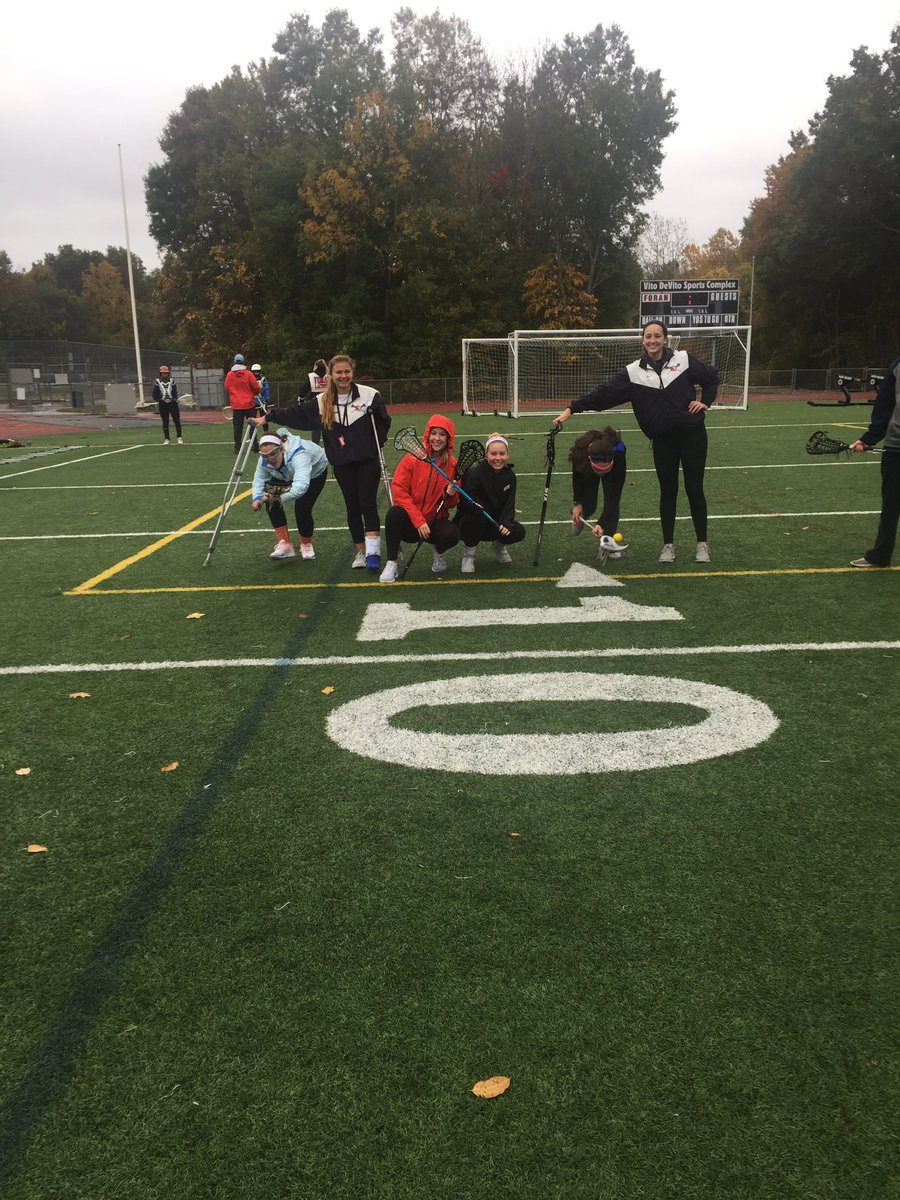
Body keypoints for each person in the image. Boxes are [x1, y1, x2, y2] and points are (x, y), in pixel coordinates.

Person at [554, 321, 718, 563]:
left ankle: (702, 544)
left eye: (657, 336)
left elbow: (711, 376)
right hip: (662, 441)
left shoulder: (683, 359)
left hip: (692, 435)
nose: (653, 340)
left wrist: (706, 401)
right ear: (643, 340)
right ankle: (668, 546)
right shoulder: (633, 372)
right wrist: (572, 408)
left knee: (694, 489)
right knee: (668, 492)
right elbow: (604, 393)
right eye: (648, 336)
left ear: (665, 338)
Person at [256, 354, 390, 570]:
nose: (343, 376)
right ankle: (361, 552)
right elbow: (295, 413)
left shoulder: (370, 396)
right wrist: (270, 417)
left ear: (352, 372)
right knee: (352, 506)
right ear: (331, 375)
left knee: (368, 503)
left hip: (368, 460)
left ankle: (373, 552)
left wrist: (374, 445)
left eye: (347, 371)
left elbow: (384, 422)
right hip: (342, 463)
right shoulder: (321, 402)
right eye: (339, 372)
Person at [379, 414, 461, 582]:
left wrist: (450, 494)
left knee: (452, 533)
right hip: (412, 523)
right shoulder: (412, 459)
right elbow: (400, 492)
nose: (437, 438)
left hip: (434, 523)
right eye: (434, 433)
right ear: (428, 435)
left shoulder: (452, 465)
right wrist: (418, 521)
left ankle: (438, 553)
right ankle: (392, 563)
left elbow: (452, 504)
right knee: (394, 513)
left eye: (442, 434)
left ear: (448, 439)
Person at [849, 354, 900, 568]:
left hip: (896, 447)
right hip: (896, 446)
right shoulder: (898, 366)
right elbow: (886, 405)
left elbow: (884, 405)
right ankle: (880, 555)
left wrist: (870, 438)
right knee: (891, 503)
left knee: (891, 504)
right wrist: (869, 438)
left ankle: (880, 556)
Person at [251, 431, 328, 560]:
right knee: (270, 500)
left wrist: (279, 498)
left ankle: (306, 543)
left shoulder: (299, 455)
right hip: (284, 473)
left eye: (273, 454)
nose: (270, 459)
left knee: (302, 507)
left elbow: (301, 487)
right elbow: (259, 478)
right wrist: (257, 499)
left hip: (315, 472)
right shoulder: (265, 458)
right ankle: (285, 543)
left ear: (281, 448)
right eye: (265, 455)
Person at [456, 433, 526, 574]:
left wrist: (506, 523)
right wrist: (475, 506)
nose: (498, 458)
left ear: (508, 455)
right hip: (474, 523)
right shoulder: (475, 473)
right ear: (486, 455)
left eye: (502, 454)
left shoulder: (510, 476)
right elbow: (464, 503)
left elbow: (509, 504)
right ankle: (469, 555)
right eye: (493, 454)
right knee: (473, 518)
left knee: (518, 531)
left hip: (495, 523)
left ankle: (498, 546)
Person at [569, 426, 628, 558]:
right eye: (598, 470)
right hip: (588, 465)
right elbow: (577, 478)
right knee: (589, 504)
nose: (601, 474)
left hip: (612, 469)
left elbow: (614, 497)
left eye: (604, 470)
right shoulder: (581, 452)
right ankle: (580, 516)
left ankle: (608, 541)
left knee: (611, 500)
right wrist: (578, 502)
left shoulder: (618, 455)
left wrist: (600, 524)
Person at [224, 353, 262, 453]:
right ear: (243, 361)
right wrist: (255, 392)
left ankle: (237, 447)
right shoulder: (248, 374)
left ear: (234, 362)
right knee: (252, 425)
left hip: (236, 405)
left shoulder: (230, 375)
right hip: (249, 404)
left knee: (237, 427)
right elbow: (256, 387)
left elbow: (227, 387)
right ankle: (255, 446)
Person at [296, 359, 329, 445]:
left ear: (316, 366)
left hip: (315, 402)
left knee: (316, 425)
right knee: (328, 424)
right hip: (328, 402)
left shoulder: (311, 376)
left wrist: (301, 399)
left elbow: (304, 389)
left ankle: (315, 445)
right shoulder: (329, 376)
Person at [152, 365, 182, 445]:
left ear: (168, 373)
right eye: (163, 373)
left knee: (177, 421)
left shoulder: (172, 381)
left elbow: (175, 392)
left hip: (172, 404)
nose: (165, 375)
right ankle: (167, 438)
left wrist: (174, 399)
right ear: (160, 373)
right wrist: (159, 400)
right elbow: (154, 394)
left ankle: (179, 437)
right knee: (165, 422)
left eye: (166, 373)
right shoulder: (157, 381)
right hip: (163, 405)